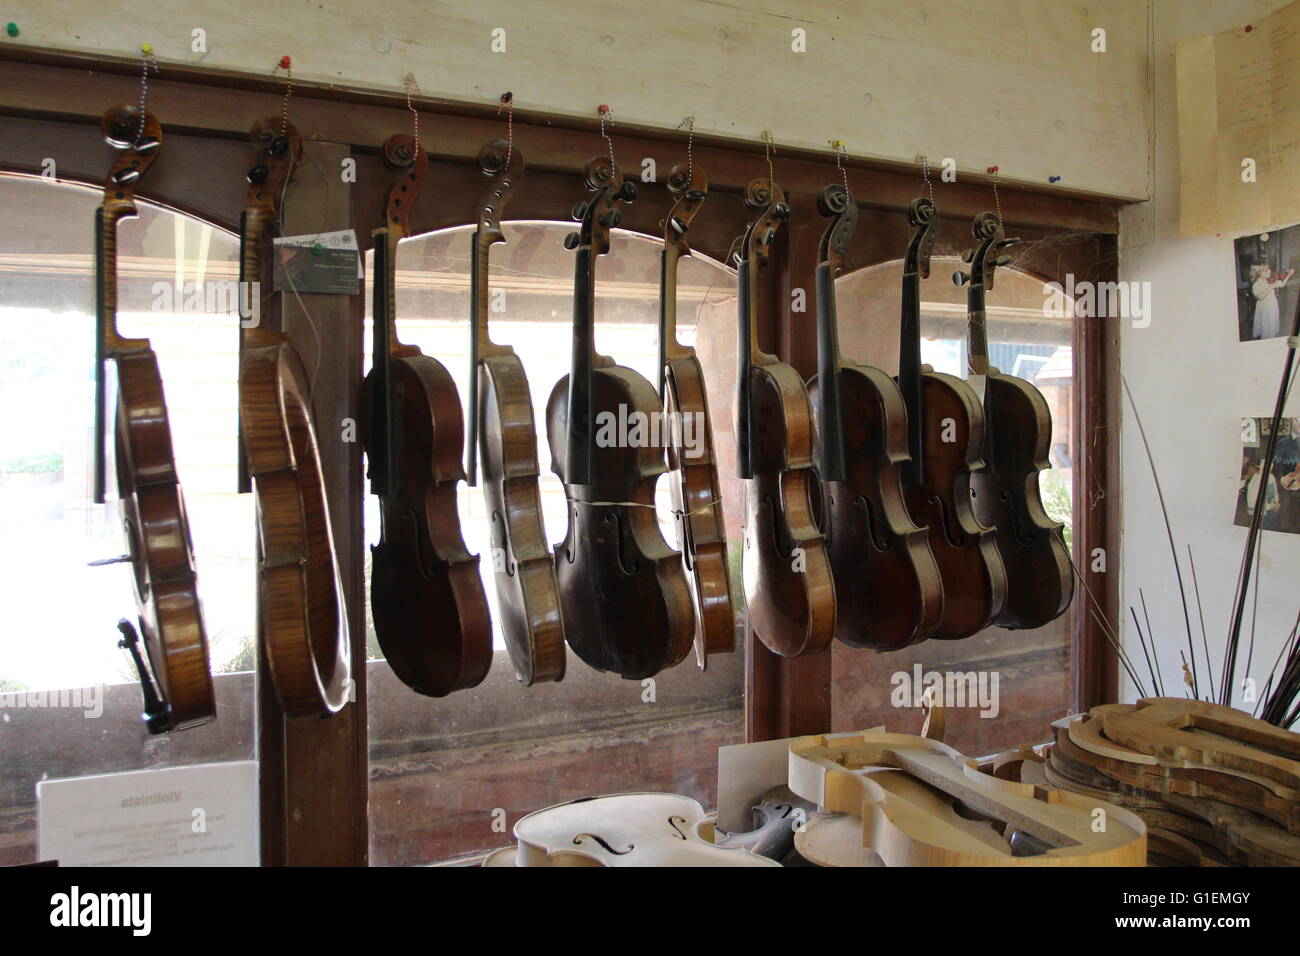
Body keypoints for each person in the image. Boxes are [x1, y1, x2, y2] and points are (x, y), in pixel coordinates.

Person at [1250, 262, 1293, 340]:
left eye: (1269, 269)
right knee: (1266, 327)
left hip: (1272, 306)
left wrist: (1289, 275)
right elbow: (1260, 296)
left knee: (1272, 325)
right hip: (1265, 308)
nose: (1269, 271)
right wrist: (1272, 286)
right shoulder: (1256, 284)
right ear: (1258, 273)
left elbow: (1282, 284)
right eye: (1266, 270)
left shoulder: (1268, 280)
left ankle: (1272, 338)